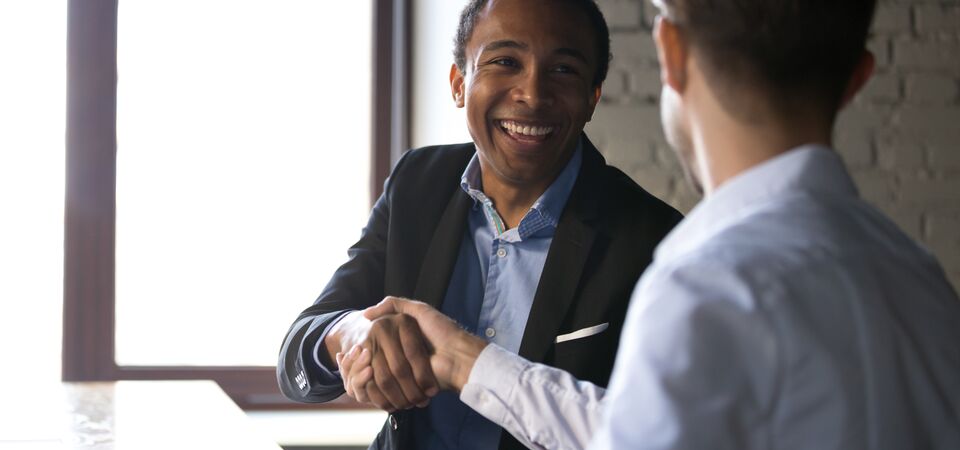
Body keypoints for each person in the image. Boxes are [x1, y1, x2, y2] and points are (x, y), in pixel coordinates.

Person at [340, 0, 960, 448]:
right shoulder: (924, 283)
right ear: (858, 77)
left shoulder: (702, 280)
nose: (531, 93)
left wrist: (464, 361)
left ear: (670, 52)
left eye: (562, 70)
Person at [276, 0, 682, 448]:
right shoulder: (418, 183)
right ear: (458, 84)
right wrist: (354, 333)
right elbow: (298, 354)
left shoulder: (656, 241)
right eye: (505, 62)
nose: (533, 94)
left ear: (592, 97)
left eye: (563, 70)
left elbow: (656, 432)